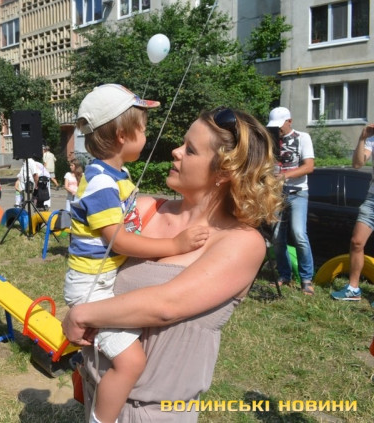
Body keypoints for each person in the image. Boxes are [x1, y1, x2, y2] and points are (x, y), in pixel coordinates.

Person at [64, 106, 283, 423]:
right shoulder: (144, 209)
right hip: (98, 392)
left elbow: (166, 305)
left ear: (224, 172)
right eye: (182, 143)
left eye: (190, 150)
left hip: (155, 413)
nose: (176, 151)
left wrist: (81, 314)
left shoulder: (242, 242)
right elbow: (88, 258)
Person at [66, 84, 210, 423]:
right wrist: (175, 246)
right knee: (131, 363)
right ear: (122, 135)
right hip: (92, 287)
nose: (147, 136)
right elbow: (118, 240)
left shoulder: (117, 174)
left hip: (100, 281)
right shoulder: (101, 182)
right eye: (143, 129)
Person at [267, 106, 315, 295]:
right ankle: (284, 275)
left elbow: (309, 166)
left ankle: (306, 279)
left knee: (299, 234)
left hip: (298, 193)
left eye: (280, 126)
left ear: (290, 121)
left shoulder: (303, 137)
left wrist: (284, 176)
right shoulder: (271, 140)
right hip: (276, 194)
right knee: (277, 237)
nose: (277, 129)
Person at [332, 123, 374, 301]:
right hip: (372, 199)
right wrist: (363, 138)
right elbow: (357, 164)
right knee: (357, 242)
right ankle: (353, 289)